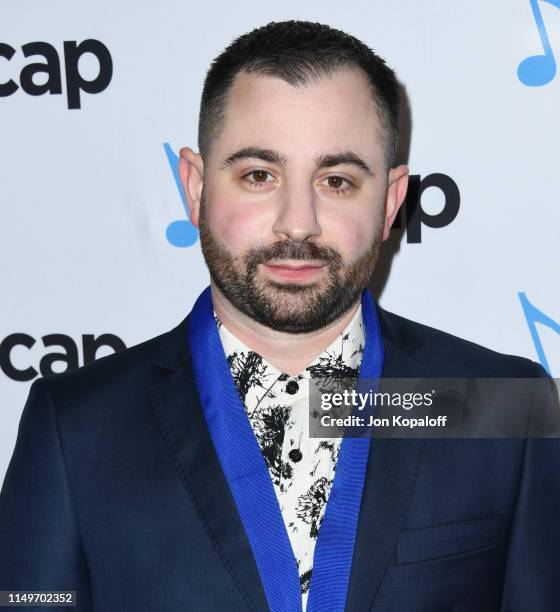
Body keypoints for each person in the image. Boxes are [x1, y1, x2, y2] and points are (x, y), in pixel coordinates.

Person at [0, 20, 558, 612]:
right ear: (195, 188)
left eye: (337, 180)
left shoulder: (498, 406)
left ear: (392, 201)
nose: (298, 222)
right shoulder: (76, 427)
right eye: (259, 176)